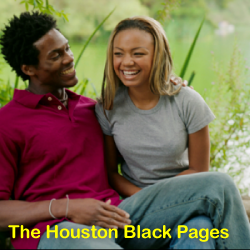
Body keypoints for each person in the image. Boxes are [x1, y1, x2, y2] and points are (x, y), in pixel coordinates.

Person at [0, 11, 249, 250]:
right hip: (60, 229)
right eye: (55, 56)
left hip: (123, 218)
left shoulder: (94, 109)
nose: (68, 58)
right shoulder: (7, 123)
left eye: (67, 48)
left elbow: (142, 124)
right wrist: (66, 208)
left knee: (217, 187)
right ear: (28, 69)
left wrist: (167, 84)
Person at [95, 16, 250, 248]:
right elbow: (112, 173)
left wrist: (172, 198)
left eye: (138, 53)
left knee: (199, 233)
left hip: (187, 201)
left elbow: (199, 170)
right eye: (119, 53)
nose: (126, 62)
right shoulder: (107, 106)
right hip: (136, 212)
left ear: (158, 55)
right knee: (221, 184)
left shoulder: (187, 101)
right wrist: (150, 198)